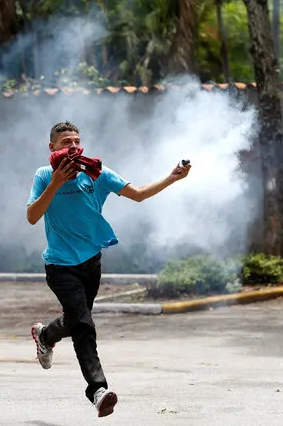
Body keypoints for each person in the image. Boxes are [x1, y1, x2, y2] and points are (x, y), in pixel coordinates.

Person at [26, 121, 192, 418]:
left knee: (76, 321)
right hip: (59, 265)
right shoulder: (43, 176)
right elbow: (32, 216)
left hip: (91, 263)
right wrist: (55, 184)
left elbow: (138, 194)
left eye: (77, 141)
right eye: (66, 142)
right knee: (84, 325)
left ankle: (46, 335)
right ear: (52, 148)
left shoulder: (97, 172)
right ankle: (98, 390)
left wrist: (172, 178)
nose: (73, 147)